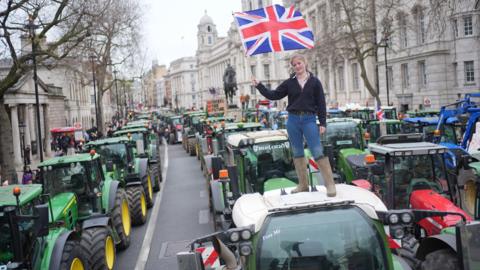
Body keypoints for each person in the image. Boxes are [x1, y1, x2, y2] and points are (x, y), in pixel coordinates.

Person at [252, 54, 336, 196]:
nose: (297, 66)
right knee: (297, 152)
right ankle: (303, 184)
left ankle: (330, 185)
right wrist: (259, 86)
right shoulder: (289, 83)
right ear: (292, 67)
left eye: (299, 63)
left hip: (309, 119)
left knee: (317, 150)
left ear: (305, 63)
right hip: (293, 120)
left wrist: (322, 122)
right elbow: (274, 95)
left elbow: (321, 103)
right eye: (294, 64)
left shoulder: (315, 82)